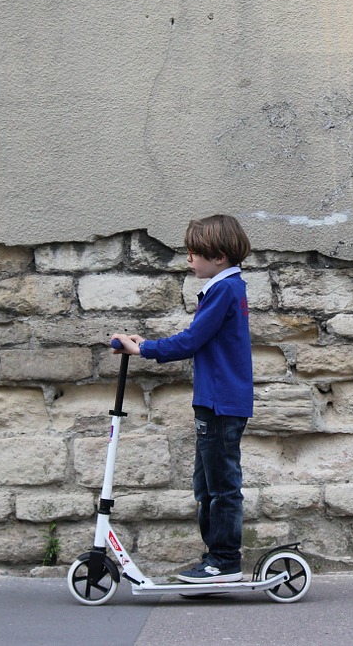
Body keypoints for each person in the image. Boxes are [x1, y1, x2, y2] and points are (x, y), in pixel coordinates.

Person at [110, 214, 253, 584]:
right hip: (214, 400)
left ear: (218, 256)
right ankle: (215, 558)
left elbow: (191, 341)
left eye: (194, 253)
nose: (189, 260)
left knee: (221, 486)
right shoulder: (226, 288)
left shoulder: (224, 290)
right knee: (206, 485)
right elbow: (196, 338)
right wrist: (147, 345)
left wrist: (144, 350)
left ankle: (223, 561)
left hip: (220, 402)